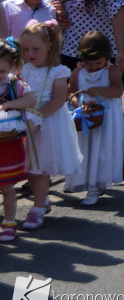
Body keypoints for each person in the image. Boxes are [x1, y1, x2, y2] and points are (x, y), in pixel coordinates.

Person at [21, 23, 77, 232]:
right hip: (27, 124)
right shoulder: (24, 69)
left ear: (50, 47)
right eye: (26, 49)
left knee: (40, 168)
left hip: (48, 124)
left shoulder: (58, 71)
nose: (30, 54)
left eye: (35, 49)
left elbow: (59, 99)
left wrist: (38, 116)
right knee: (29, 168)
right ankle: (42, 200)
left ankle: (37, 209)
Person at [65, 31, 124, 206]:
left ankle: (95, 187)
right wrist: (76, 102)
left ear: (106, 58)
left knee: (102, 152)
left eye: (98, 62)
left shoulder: (110, 71)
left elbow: (118, 91)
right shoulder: (78, 71)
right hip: (86, 118)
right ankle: (88, 182)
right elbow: (71, 92)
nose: (93, 67)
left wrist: (99, 90)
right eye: (89, 63)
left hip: (106, 118)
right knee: (86, 152)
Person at [0, 38, 38, 242]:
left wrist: (7, 105)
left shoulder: (14, 84)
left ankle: (9, 223)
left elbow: (32, 100)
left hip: (8, 142)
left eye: (1, 71)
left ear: (13, 67)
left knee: (6, 187)